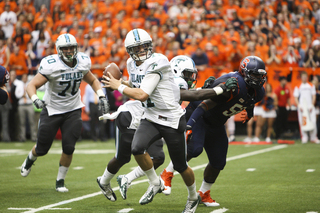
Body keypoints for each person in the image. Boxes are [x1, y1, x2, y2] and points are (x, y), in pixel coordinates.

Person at [102, 29, 237, 213]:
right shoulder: (130, 64)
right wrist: (124, 83)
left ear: (150, 45)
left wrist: (118, 86)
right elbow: (138, 86)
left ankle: (192, 197)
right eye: (137, 47)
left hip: (171, 119)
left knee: (181, 165)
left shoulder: (159, 61)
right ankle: (155, 182)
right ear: (129, 50)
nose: (141, 50)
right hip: (150, 116)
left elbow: (142, 94)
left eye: (144, 46)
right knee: (136, 148)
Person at [161, 56, 266, 206]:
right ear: (244, 73)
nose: (258, 79)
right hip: (200, 114)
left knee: (218, 161)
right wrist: (189, 125)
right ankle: (167, 173)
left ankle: (204, 193)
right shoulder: (234, 84)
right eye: (255, 75)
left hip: (217, 122)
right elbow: (203, 105)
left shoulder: (258, 92)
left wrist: (249, 112)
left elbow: (250, 99)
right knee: (193, 150)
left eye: (260, 76)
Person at [20, 33, 109, 192]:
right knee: (42, 149)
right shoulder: (51, 65)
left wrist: (101, 96)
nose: (69, 51)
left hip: (73, 110)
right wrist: (35, 99)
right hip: (52, 109)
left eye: (71, 48)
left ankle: (60, 181)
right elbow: (30, 85)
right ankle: (29, 159)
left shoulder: (82, 62)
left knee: (69, 147)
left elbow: (93, 80)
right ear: (58, 50)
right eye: (65, 48)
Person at [294, 71, 319, 144]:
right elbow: (296, 97)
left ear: (307, 77)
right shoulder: (298, 86)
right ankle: (304, 137)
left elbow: (313, 96)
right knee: (302, 122)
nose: (304, 78)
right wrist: (299, 105)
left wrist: (312, 105)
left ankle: (313, 137)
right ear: (301, 77)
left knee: (313, 122)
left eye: (305, 77)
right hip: (302, 107)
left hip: (310, 106)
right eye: (303, 77)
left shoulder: (311, 85)